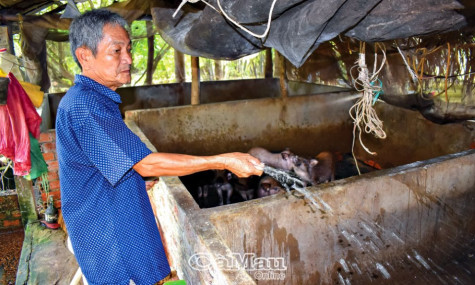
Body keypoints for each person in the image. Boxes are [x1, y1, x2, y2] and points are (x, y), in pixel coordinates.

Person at [56, 9, 263, 285]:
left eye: (128, 49)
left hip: (115, 227)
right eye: (116, 51)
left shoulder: (93, 99)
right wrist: (223, 160)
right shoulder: (87, 106)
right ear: (85, 55)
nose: (128, 59)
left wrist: (131, 182)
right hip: (115, 245)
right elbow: (145, 163)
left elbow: (101, 167)